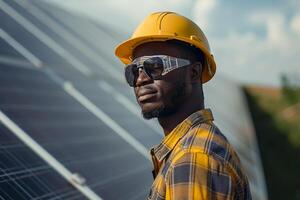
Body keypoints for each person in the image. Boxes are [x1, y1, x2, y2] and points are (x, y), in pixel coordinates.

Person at [115, 11, 252, 200]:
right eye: (134, 70)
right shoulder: (193, 146)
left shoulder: (193, 159)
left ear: (194, 73)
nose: (140, 79)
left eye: (155, 66)